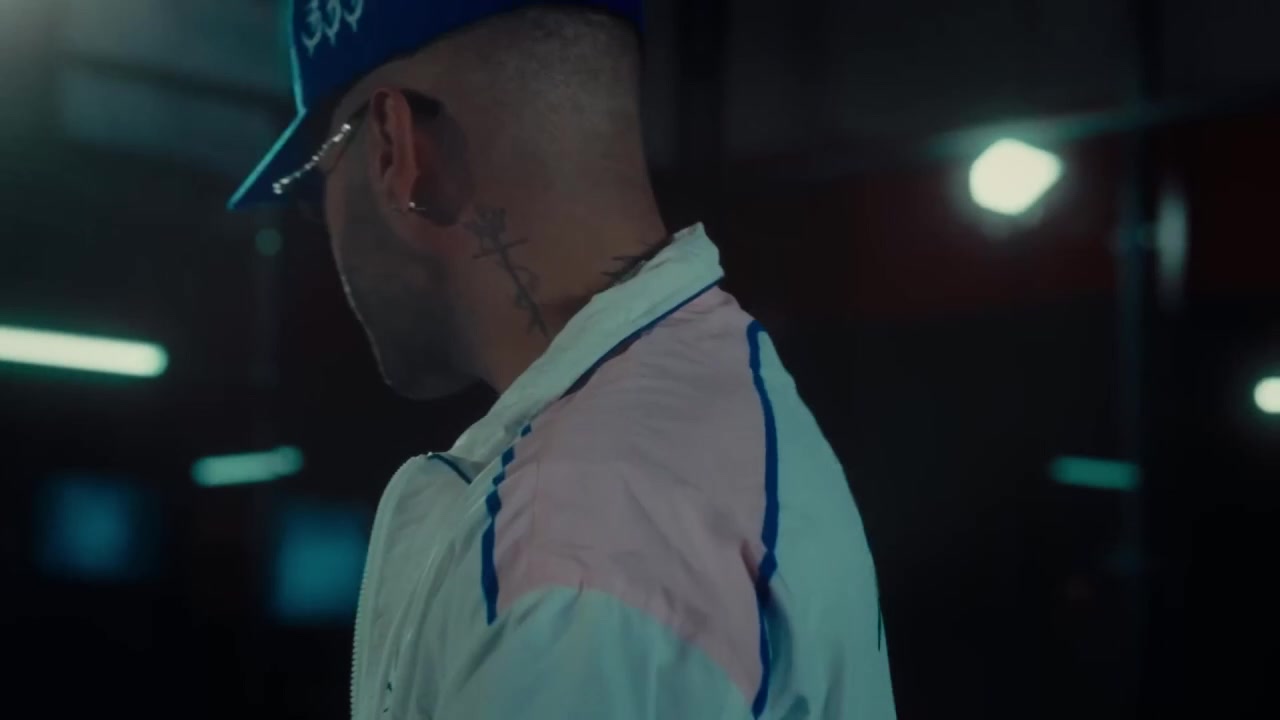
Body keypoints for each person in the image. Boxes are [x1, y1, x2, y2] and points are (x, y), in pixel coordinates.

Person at [229, 1, 896, 717]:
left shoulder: (567, 545)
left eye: (315, 186)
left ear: (396, 151)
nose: (323, 229)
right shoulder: (727, 405)